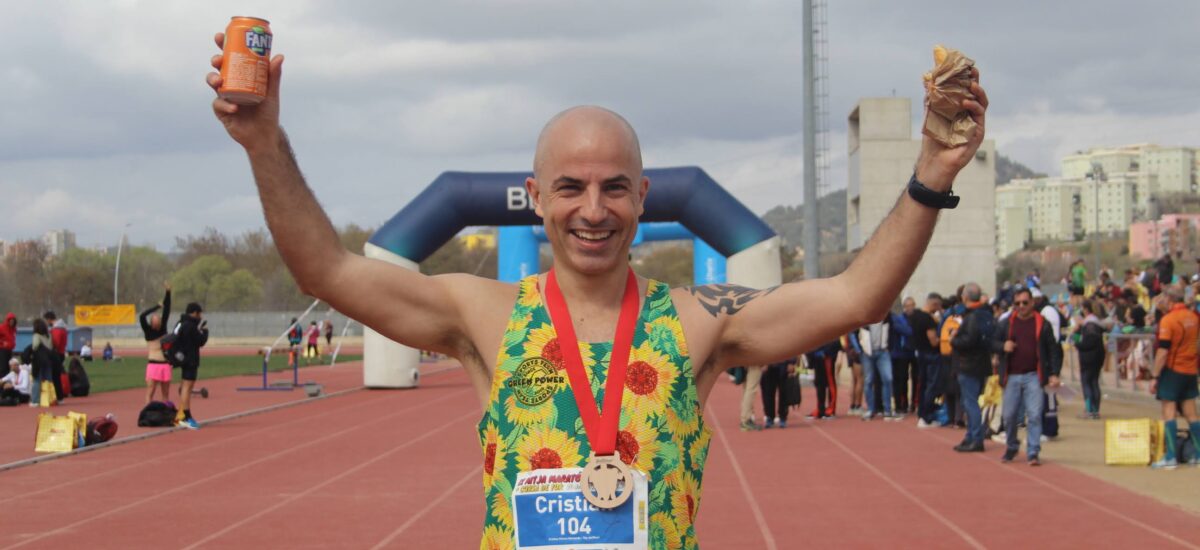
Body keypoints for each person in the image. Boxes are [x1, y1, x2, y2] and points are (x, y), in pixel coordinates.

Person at [206, 35, 987, 544]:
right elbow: (327, 271)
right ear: (535, 198)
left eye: (614, 187)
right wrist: (264, 143)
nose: (592, 209)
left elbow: (855, 299)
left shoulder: (699, 320)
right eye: (570, 187)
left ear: (642, 198)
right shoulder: (483, 313)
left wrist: (931, 175)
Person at [994, 287, 1062, 466]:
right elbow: (992, 342)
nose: (1021, 306)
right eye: (1017, 303)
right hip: (1012, 376)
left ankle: (1033, 451)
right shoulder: (1006, 323)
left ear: (1032, 302)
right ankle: (1012, 445)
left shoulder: (1042, 324)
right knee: (1009, 416)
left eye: (1025, 302)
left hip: (1034, 375)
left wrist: (1054, 373)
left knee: (1034, 415)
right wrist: (1002, 346)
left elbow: (1053, 350)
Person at [1149, 288, 1200, 469]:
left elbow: (1163, 350)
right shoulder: (1193, 317)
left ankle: (1170, 456)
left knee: (1168, 412)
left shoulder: (1168, 320)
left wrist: (1155, 375)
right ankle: (1198, 454)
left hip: (1173, 369)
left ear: (1169, 300)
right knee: (1191, 413)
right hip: (1190, 369)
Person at [949, 283, 994, 452]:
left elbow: (969, 340)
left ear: (965, 297)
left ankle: (976, 437)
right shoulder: (985, 314)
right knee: (969, 401)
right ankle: (970, 436)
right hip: (980, 363)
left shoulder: (972, 316)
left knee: (970, 402)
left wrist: (954, 339)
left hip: (969, 364)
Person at [173, 302, 209, 430]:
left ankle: (180, 416)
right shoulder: (191, 326)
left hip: (182, 358)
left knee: (185, 386)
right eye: (199, 314)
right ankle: (185, 416)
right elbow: (200, 341)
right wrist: (205, 332)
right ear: (194, 313)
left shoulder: (180, 323)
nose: (200, 316)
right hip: (190, 359)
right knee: (187, 388)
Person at [855, 316, 899, 421]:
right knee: (868, 380)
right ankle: (870, 409)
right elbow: (854, 333)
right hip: (867, 353)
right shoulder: (865, 318)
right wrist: (859, 349)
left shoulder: (887, 317)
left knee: (888, 378)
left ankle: (887, 410)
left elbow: (892, 332)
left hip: (883, 351)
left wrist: (889, 347)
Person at [911, 293, 941, 428]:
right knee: (931, 386)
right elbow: (933, 341)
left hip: (920, 353)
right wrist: (946, 339)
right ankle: (926, 416)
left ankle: (922, 414)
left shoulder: (915, 316)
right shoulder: (928, 319)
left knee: (922, 385)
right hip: (931, 354)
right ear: (934, 304)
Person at [139, 283, 173, 404]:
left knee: (165, 394)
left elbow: (167, 310)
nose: (157, 322)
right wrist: (157, 307)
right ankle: (148, 410)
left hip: (165, 364)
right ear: (151, 322)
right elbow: (142, 316)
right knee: (150, 391)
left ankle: (165, 411)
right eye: (155, 320)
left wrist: (168, 293)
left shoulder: (163, 328)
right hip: (153, 364)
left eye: (158, 320)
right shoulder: (148, 331)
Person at [1074, 299, 1106, 419]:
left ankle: (1090, 410)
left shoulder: (1089, 325)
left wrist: (1077, 342)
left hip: (1088, 358)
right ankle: (1095, 410)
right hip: (1097, 357)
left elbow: (1086, 342)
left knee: (1087, 382)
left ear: (1086, 310)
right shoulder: (1096, 323)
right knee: (1094, 382)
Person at [892, 299, 918, 413]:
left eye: (911, 305)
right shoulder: (900, 319)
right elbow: (906, 331)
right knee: (903, 379)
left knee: (916, 378)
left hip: (916, 352)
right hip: (902, 352)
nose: (909, 308)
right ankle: (903, 403)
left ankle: (914, 403)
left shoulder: (918, 318)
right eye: (907, 306)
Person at [24, 319, 57, 407]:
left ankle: (35, 400)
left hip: (38, 361)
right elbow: (51, 347)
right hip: (49, 359)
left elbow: (35, 346)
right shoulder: (49, 335)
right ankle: (50, 398)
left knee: (37, 380)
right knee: (48, 379)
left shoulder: (36, 336)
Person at [806, 340, 841, 419]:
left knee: (830, 381)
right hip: (816, 355)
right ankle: (820, 408)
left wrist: (826, 352)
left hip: (827, 355)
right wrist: (811, 353)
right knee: (819, 383)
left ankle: (831, 409)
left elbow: (835, 341)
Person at [760, 358, 795, 428]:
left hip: (783, 365)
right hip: (768, 365)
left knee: (784, 393)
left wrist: (791, 362)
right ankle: (769, 416)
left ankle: (783, 417)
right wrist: (762, 363)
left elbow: (791, 350)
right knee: (767, 393)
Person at [739, 365, 765, 431]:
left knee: (746, 390)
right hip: (754, 364)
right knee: (751, 390)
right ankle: (746, 420)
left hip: (745, 364)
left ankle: (746, 418)